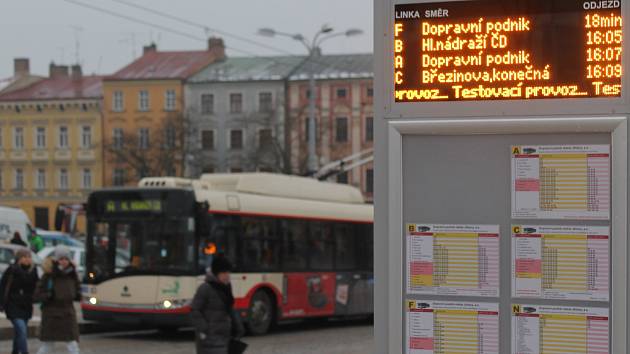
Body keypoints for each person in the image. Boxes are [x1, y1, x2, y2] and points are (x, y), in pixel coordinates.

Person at [191, 256, 245, 354]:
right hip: (209, 339)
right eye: (224, 273)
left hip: (225, 337)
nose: (227, 275)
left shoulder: (227, 288)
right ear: (216, 273)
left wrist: (238, 326)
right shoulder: (205, 288)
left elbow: (230, 308)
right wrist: (205, 329)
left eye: (229, 272)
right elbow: (195, 310)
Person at [34, 246, 81, 354]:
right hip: (51, 315)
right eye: (61, 259)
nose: (64, 261)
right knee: (47, 346)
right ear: (56, 260)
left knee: (73, 345)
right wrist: (48, 295)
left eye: (66, 259)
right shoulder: (49, 275)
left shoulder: (72, 274)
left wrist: (78, 295)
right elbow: (37, 295)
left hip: (68, 314)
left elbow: (77, 291)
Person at [0, 248, 39, 354]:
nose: (27, 259)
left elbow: (37, 287)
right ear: (19, 258)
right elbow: (3, 287)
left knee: (19, 333)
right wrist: (2, 303)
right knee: (22, 330)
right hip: (13, 305)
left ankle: (15, 351)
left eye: (29, 257)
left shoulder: (33, 271)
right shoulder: (12, 270)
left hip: (26, 306)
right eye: (24, 257)